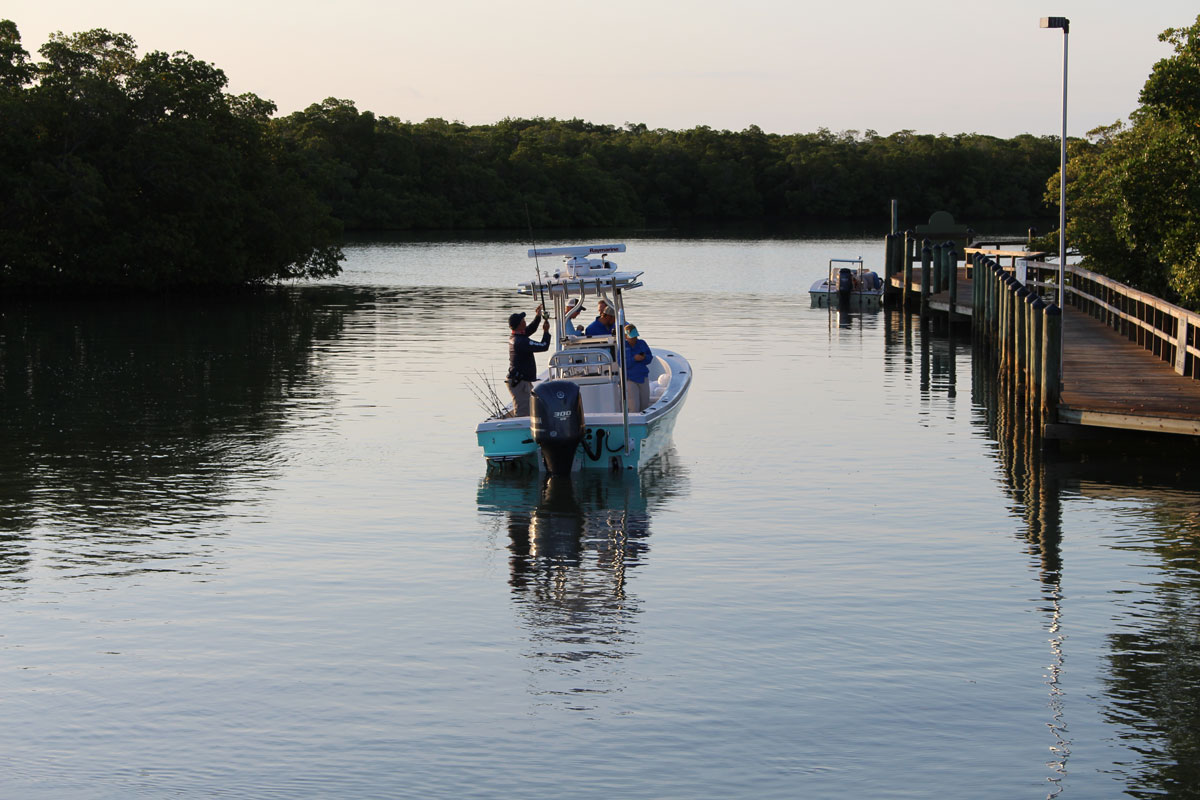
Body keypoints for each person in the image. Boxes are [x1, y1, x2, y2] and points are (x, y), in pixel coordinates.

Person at [506, 304, 549, 416]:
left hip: (520, 381)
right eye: (523, 320)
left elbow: (531, 329)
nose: (525, 321)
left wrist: (538, 316)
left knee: (528, 410)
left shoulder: (516, 337)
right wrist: (546, 332)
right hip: (520, 384)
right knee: (523, 413)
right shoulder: (521, 342)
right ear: (521, 324)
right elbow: (544, 346)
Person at [622, 323, 652, 412]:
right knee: (634, 407)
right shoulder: (623, 346)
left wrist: (644, 357)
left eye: (635, 336)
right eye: (632, 337)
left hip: (643, 377)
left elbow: (649, 358)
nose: (634, 339)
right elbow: (622, 363)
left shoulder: (642, 343)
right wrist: (634, 359)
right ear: (626, 336)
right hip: (630, 379)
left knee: (645, 404)